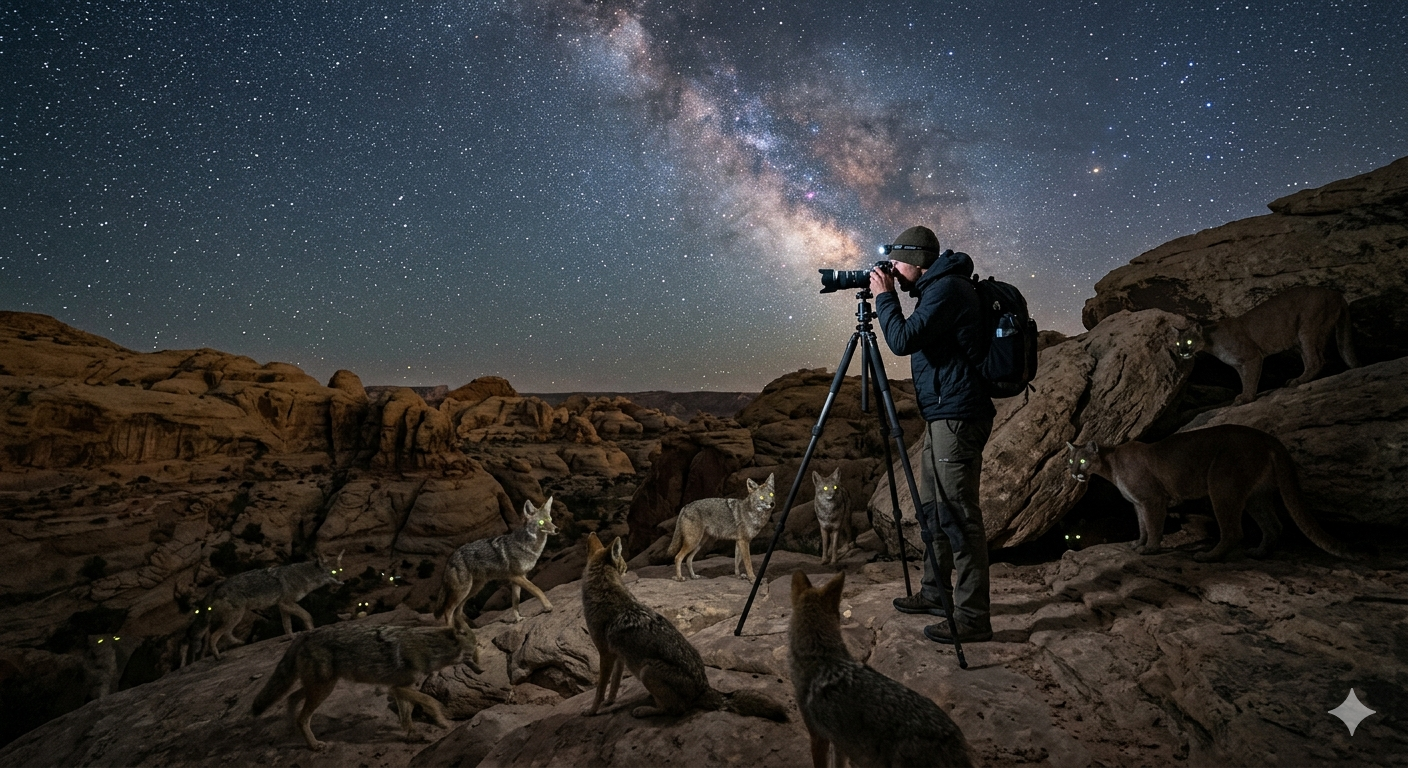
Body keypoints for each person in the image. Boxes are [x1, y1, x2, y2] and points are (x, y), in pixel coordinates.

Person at [869, 225, 996, 644]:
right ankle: (935, 593)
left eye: (897, 262)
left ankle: (973, 615)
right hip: (942, 415)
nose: (893, 269)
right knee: (932, 509)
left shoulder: (948, 291)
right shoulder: (936, 290)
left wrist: (885, 296)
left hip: (958, 417)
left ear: (918, 261)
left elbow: (902, 339)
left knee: (959, 515)